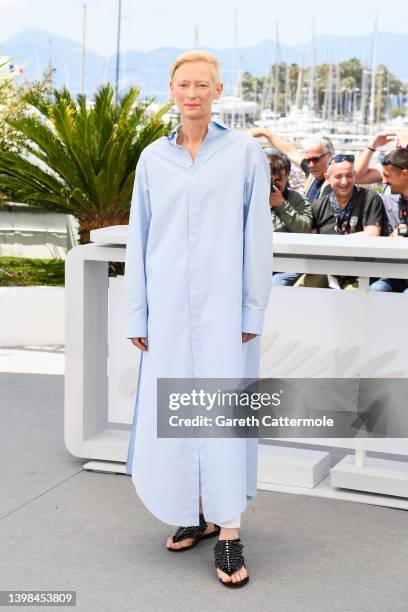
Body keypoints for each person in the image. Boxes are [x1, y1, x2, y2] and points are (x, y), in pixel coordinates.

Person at [124, 50, 273, 588]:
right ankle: (195, 510)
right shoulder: (151, 159)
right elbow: (139, 238)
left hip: (222, 311)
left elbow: (258, 236)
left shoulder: (243, 154)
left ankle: (229, 532)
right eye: (184, 84)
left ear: (217, 90)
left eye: (202, 84)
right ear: (171, 89)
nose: (193, 93)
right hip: (165, 311)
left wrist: (252, 307)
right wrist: (137, 312)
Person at [302, 153, 389, 290]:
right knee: (308, 287)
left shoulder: (370, 198)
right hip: (327, 269)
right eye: (338, 177)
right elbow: (313, 242)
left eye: (349, 176)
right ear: (327, 178)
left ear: (354, 176)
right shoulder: (319, 205)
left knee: (351, 296)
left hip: (361, 271)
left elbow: (372, 234)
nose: (344, 182)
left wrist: (334, 242)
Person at [249, 128, 334, 201]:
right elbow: (290, 151)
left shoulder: (336, 183)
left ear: (330, 156)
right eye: (308, 160)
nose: (311, 165)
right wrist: (265, 132)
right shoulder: (313, 174)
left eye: (316, 159)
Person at [267, 153, 313, 286]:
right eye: (270, 181)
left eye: (278, 181)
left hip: (288, 264)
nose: (274, 186)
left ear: (287, 175)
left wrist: (282, 205)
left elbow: (304, 229)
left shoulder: (298, 200)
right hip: (259, 262)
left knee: (275, 285)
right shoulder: (253, 199)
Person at [369, 147, 408, 293]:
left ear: (404, 174)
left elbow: (402, 230)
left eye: (387, 175)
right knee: (376, 290)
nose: (384, 181)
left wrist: (402, 231)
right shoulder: (389, 201)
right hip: (397, 273)